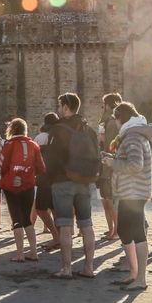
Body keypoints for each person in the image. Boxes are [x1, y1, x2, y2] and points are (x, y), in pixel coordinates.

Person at [103, 101, 152, 292]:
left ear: (121, 118)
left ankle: (140, 278)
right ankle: (134, 274)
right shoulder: (134, 134)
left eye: (115, 119)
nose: (115, 124)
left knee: (136, 233)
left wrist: (113, 164)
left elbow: (136, 165)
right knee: (126, 231)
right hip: (132, 191)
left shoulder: (133, 137)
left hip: (134, 192)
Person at [47, 92, 99, 280]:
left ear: (66, 107)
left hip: (63, 181)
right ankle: (89, 267)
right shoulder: (88, 129)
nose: (58, 108)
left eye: (60, 105)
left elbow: (51, 158)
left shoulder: (57, 129)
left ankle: (66, 268)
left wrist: (51, 177)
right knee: (86, 224)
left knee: (65, 225)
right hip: (84, 182)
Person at [0, 118, 46, 262]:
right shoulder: (34, 145)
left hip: (11, 185)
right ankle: (33, 252)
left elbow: (2, 165)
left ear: (11, 130)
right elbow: (42, 168)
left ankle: (19, 254)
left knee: (16, 219)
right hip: (29, 184)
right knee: (27, 219)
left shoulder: (9, 145)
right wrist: (29, 174)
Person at [98, 92, 122, 242]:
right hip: (114, 162)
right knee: (108, 199)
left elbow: (102, 141)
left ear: (107, 105)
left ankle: (116, 230)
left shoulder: (107, 121)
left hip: (108, 163)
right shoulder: (119, 120)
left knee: (109, 199)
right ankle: (113, 229)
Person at [34, 112, 60, 250]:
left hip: (44, 177)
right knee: (55, 208)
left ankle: (56, 237)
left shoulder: (40, 137)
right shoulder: (59, 136)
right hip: (58, 176)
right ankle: (59, 237)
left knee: (40, 208)